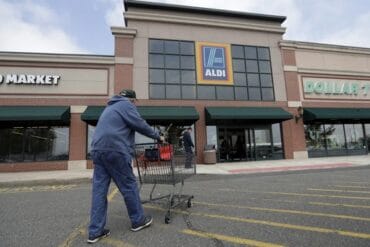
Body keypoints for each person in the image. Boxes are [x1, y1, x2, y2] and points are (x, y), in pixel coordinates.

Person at [87, 89, 164, 244]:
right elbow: (140, 124)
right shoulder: (125, 105)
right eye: (135, 102)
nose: (135, 105)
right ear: (132, 100)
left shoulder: (110, 107)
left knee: (99, 191)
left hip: (97, 150)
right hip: (115, 150)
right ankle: (138, 220)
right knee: (129, 185)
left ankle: (95, 232)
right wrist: (158, 136)